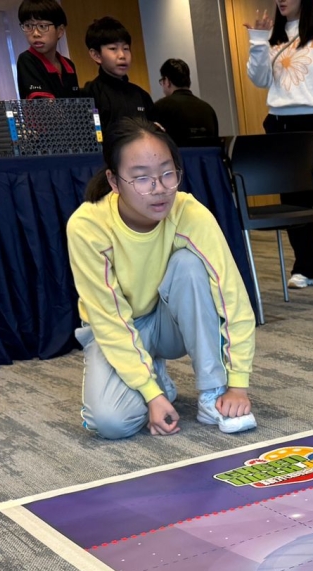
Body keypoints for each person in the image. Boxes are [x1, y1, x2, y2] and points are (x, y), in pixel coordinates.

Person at [67, 119, 257, 440]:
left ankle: (211, 391)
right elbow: (110, 319)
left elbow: (232, 297)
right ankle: (154, 376)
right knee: (112, 423)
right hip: (119, 327)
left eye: (167, 174)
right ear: (114, 181)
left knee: (189, 266)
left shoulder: (189, 212)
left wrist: (237, 384)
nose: (158, 189)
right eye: (141, 178)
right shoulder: (88, 226)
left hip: (168, 324)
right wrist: (151, 393)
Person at [246, 0, 313, 291]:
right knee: (293, 202)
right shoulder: (272, 37)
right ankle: (304, 267)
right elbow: (259, 79)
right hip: (280, 125)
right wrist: (258, 41)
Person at [83, 17, 154, 132]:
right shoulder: (89, 95)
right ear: (96, 55)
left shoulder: (141, 95)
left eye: (126, 48)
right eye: (113, 48)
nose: (122, 55)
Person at [16, 0, 80, 100]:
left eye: (42, 26)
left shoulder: (69, 65)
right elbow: (44, 104)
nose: (35, 34)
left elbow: (77, 103)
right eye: (28, 26)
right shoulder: (26, 59)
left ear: (60, 31)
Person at [149, 58, 219, 147]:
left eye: (162, 81)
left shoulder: (160, 108)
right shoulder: (208, 110)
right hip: (207, 156)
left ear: (167, 81)